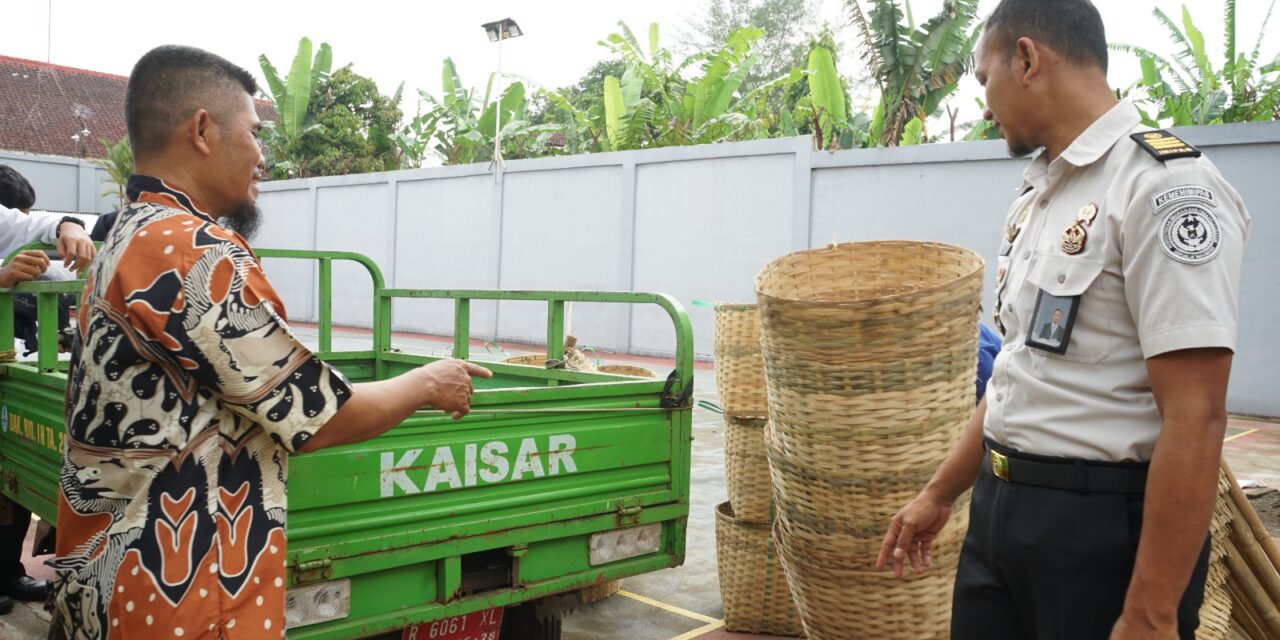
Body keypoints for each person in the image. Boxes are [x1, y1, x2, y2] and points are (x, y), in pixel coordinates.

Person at [49, 45, 492, 639]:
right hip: (183, 598)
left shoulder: (125, 235)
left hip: (106, 591)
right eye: (255, 135)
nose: (262, 157)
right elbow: (316, 417)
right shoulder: (195, 254)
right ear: (202, 130)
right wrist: (428, 382)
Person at [876, 1, 1250, 639]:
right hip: (1001, 515)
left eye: (984, 78)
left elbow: (1197, 414)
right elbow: (1019, 370)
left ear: (1027, 59)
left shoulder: (1163, 188)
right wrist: (941, 493)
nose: (986, 106)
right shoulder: (1040, 194)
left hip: (1098, 533)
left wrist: (1151, 613)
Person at [0, 165, 96, 616]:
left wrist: (68, 227)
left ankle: (6, 573)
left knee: (10, 478)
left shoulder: (7, 222)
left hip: (9, 366)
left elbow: (34, 227)